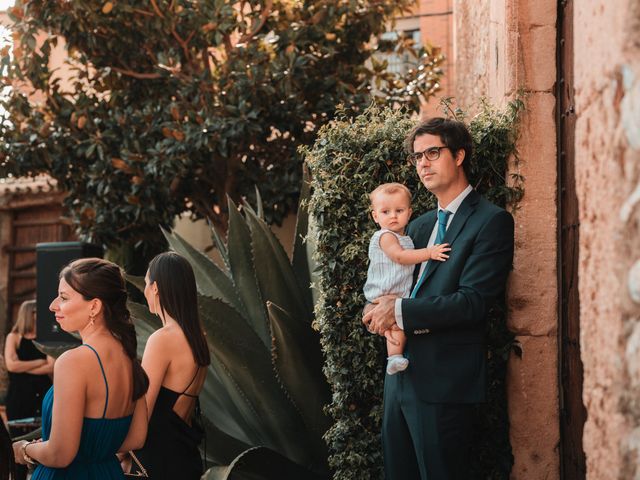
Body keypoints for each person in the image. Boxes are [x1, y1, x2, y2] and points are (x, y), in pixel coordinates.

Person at [363, 117, 515, 480]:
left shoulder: (491, 221)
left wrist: (397, 311)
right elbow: (391, 281)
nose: (423, 163)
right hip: (399, 377)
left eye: (433, 152)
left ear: (459, 155)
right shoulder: (416, 226)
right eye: (417, 157)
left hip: (445, 384)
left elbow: (472, 302)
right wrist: (374, 309)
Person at [12, 258, 149, 479]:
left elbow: (60, 455)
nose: (53, 305)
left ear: (94, 306)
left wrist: (24, 449)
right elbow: (136, 438)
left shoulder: (73, 362)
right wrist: (92, 446)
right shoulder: (131, 359)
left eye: (64, 297)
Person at [131, 252, 210, 479]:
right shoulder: (198, 336)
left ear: (155, 288)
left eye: (146, 283)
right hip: (185, 456)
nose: (144, 290)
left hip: (157, 460)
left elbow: (142, 411)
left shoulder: (163, 339)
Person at [363, 182, 450, 375]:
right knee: (395, 324)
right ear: (375, 216)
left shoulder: (407, 236)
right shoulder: (385, 236)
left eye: (399, 210)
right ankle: (393, 357)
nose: (393, 216)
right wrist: (430, 253)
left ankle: (395, 357)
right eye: (385, 212)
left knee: (395, 325)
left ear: (409, 213)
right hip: (384, 291)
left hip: (397, 294)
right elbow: (400, 257)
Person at [4, 300, 54, 480]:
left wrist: (22, 366)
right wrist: (39, 362)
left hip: (41, 395)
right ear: (28, 314)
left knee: (42, 439)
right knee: (17, 441)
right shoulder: (14, 336)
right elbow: (11, 365)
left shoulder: (44, 337)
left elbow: (52, 366)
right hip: (19, 397)